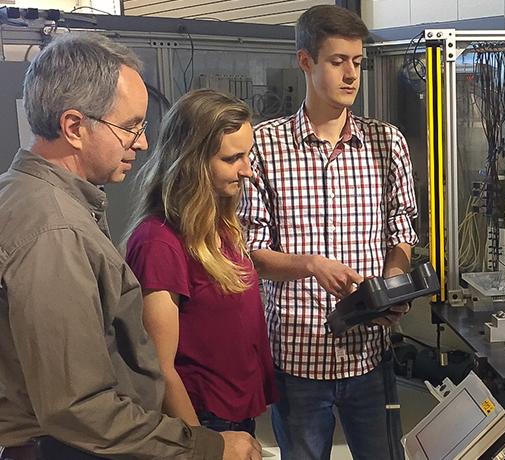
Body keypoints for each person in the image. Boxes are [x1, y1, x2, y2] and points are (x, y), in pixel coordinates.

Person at [0, 33, 262, 460]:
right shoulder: (54, 232)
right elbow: (78, 407)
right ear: (73, 127)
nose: (142, 142)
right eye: (131, 126)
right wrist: (205, 446)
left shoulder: (33, 199)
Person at [238, 5, 418, 460]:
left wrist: (392, 288)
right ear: (306, 62)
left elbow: (401, 233)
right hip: (297, 359)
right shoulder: (264, 144)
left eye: (357, 62)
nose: (351, 75)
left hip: (368, 357)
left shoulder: (386, 143)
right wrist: (311, 265)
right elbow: (253, 252)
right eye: (338, 61)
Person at [124, 89, 276, 436]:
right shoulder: (159, 243)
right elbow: (160, 369)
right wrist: (204, 448)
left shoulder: (219, 227)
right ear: (192, 160)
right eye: (232, 159)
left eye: (247, 155)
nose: (247, 171)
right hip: (204, 423)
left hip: (234, 415)